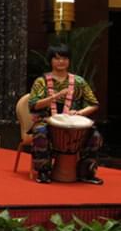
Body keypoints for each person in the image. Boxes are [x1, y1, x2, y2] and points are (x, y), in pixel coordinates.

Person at [28, 44, 103, 185]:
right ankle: (43, 171)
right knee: (40, 132)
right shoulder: (41, 81)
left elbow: (94, 104)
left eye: (64, 58)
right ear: (50, 60)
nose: (61, 61)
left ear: (69, 61)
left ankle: (86, 172)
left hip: (72, 122)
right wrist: (54, 97)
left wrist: (79, 113)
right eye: (57, 58)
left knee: (95, 136)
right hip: (46, 121)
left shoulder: (79, 82)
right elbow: (33, 105)